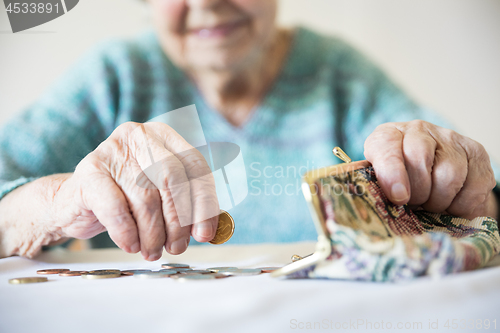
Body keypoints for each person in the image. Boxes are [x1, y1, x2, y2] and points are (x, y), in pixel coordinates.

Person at [0, 0, 498, 261]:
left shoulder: (340, 76)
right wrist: (56, 208)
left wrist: (460, 182)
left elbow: (475, 198)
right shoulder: (114, 77)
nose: (208, 0)